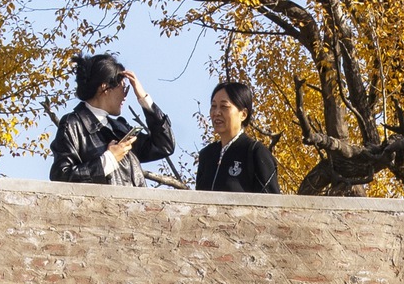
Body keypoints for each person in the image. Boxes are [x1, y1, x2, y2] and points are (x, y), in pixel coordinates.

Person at [50, 53, 176, 186]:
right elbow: (61, 175)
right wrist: (108, 160)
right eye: (123, 88)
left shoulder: (120, 128)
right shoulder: (74, 124)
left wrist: (144, 99)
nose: (125, 96)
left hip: (136, 206)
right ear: (105, 87)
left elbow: (164, 146)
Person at [194, 75, 280, 195]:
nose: (216, 112)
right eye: (213, 106)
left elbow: (272, 204)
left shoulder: (255, 152)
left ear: (243, 114)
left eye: (224, 107)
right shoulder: (207, 155)